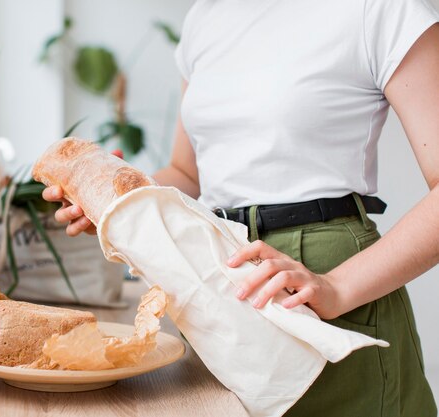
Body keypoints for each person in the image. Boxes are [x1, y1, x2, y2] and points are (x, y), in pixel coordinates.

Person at [42, 0, 439, 415]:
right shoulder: (206, 17)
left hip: (323, 281)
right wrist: (116, 204)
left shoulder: (381, 8)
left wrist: (337, 286)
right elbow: (188, 173)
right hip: (217, 279)